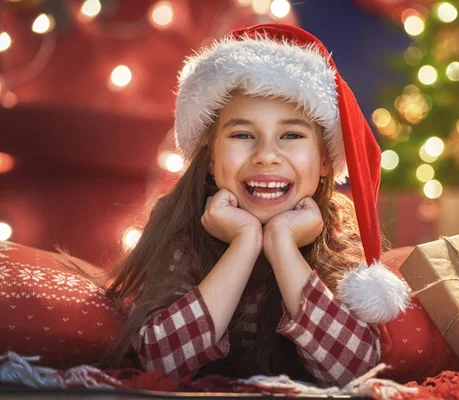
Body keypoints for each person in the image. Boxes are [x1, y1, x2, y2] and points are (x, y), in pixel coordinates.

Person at [103, 23, 409, 387]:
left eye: (292, 135)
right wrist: (244, 244)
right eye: (243, 135)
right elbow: (158, 364)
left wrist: (282, 246)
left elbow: (356, 369)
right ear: (211, 158)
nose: (266, 156)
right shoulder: (183, 225)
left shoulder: (335, 227)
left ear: (326, 160)